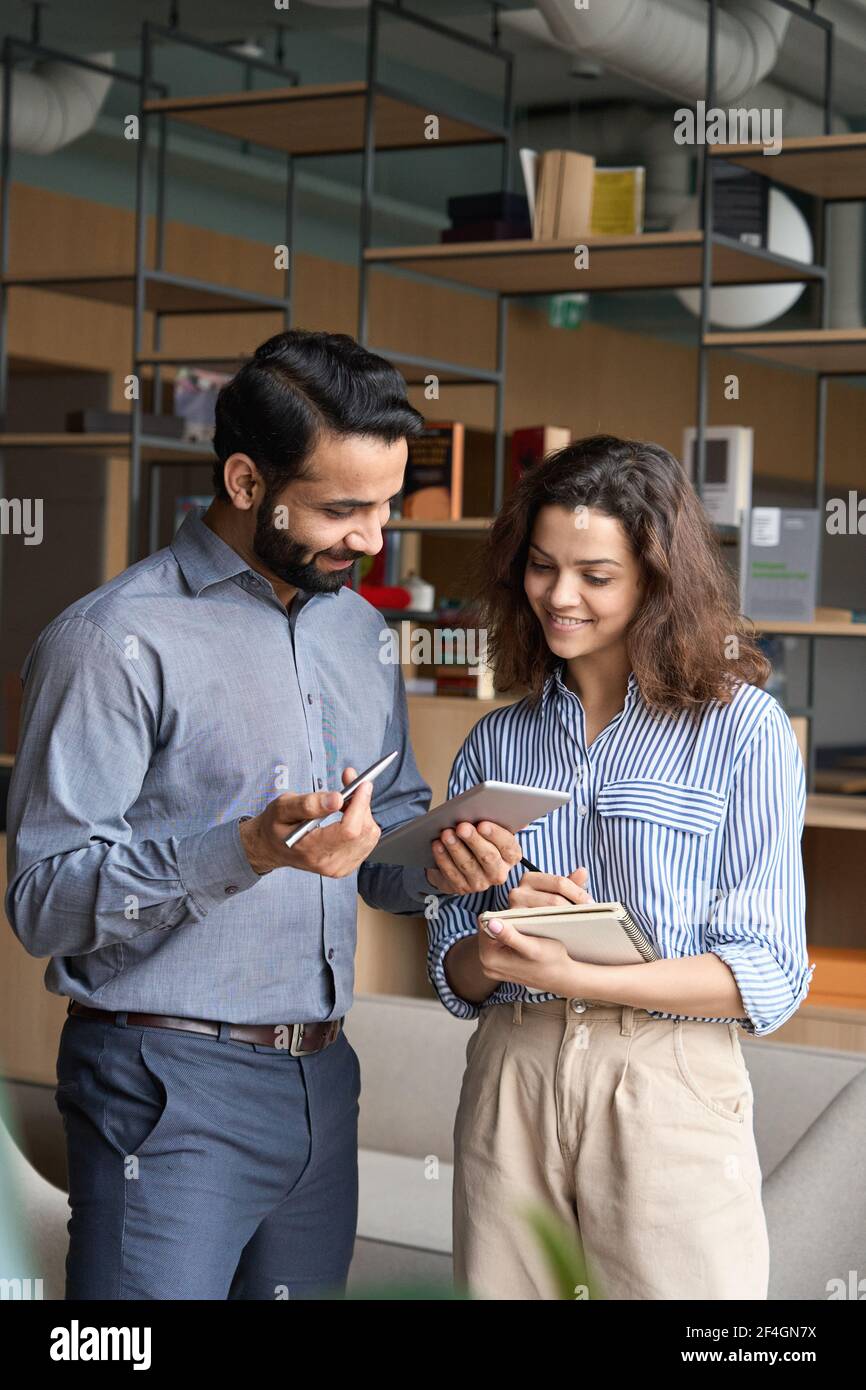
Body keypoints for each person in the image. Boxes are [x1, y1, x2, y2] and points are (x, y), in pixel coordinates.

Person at [4, 328, 522, 1300]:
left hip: (322, 1080)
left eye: (384, 506)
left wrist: (444, 856)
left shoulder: (359, 631)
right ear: (245, 481)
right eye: (341, 508)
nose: (372, 538)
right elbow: (42, 901)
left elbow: (382, 847)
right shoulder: (112, 641)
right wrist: (242, 848)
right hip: (163, 1082)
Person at [426, 434, 814, 1301]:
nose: (559, 597)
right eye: (541, 567)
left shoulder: (741, 731)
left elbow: (766, 976)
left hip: (664, 1077)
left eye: (595, 577)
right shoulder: (499, 739)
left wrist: (578, 970)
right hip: (511, 1074)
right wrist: (491, 945)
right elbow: (452, 965)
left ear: (657, 580)